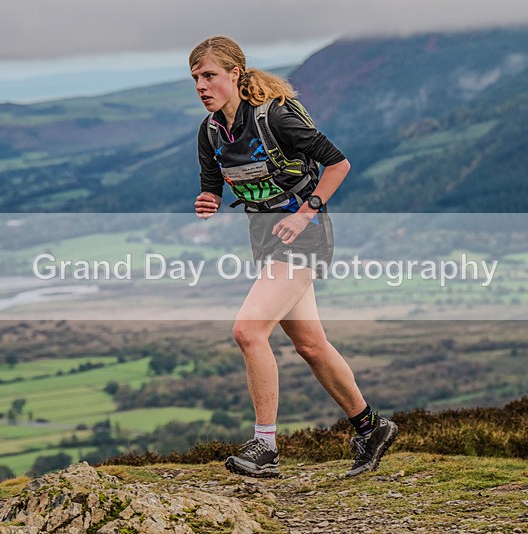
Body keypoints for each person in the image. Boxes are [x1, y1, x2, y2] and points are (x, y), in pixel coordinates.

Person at [190, 36, 397, 478]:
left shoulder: (276, 117)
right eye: (195, 78)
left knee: (248, 331)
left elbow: (337, 164)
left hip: (306, 237)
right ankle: (370, 427)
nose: (202, 86)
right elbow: (213, 185)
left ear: (235, 75)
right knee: (311, 345)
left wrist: (306, 214)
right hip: (267, 242)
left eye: (209, 75)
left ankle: (265, 445)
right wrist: (207, 200)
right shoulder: (210, 132)